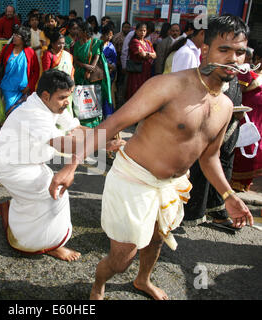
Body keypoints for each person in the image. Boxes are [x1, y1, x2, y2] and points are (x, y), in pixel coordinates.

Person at [49, 14, 253, 300]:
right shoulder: (167, 86)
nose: (233, 58)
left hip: (171, 186)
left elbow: (210, 158)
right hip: (134, 180)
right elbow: (112, 125)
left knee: (157, 240)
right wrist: (71, 166)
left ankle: (142, 281)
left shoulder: (227, 105)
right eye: (224, 50)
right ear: (205, 50)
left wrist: (229, 195)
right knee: (121, 260)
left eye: (240, 51)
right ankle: (98, 286)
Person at [0, 69, 82, 261]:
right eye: (63, 97)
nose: (67, 102)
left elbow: (75, 128)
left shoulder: (52, 104)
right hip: (12, 167)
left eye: (69, 96)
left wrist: (106, 134)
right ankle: (47, 245)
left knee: (36, 199)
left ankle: (8, 211)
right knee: (55, 197)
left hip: (28, 163)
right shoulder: (32, 113)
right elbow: (64, 143)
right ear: (46, 96)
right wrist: (103, 142)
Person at [231, 45, 262, 192]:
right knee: (244, 152)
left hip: (259, 121)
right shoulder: (247, 75)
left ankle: (242, 185)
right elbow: (236, 95)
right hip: (245, 119)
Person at [0, 26, 40, 115]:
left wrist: (29, 86)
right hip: (8, 88)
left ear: (24, 38)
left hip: (24, 89)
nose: (14, 37)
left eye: (17, 35)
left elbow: (36, 71)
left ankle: (23, 129)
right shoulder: (6, 48)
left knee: (24, 114)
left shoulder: (30, 52)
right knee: (11, 113)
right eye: (14, 34)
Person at [73, 22, 112, 127]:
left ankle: (95, 123)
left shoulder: (95, 43)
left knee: (93, 99)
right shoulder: (76, 44)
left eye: (79, 30)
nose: (77, 32)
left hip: (92, 77)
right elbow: (75, 60)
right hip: (79, 75)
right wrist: (85, 66)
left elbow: (96, 57)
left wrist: (89, 71)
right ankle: (82, 123)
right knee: (81, 100)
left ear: (85, 32)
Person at [42, 31, 75, 115]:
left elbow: (72, 71)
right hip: (55, 90)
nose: (61, 46)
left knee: (67, 111)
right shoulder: (48, 55)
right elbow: (46, 73)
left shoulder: (68, 55)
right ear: (52, 44)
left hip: (68, 88)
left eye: (63, 43)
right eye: (59, 43)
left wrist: (72, 85)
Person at [126, 22, 156, 100]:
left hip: (146, 71)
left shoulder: (147, 42)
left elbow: (155, 55)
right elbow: (141, 55)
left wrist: (147, 54)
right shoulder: (134, 42)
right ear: (136, 31)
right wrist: (149, 55)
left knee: (144, 92)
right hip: (137, 72)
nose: (142, 33)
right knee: (135, 93)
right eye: (140, 30)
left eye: (144, 31)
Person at [101, 23, 117, 118]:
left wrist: (111, 68)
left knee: (108, 95)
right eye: (108, 34)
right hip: (100, 74)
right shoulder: (97, 44)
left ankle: (108, 115)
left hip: (109, 74)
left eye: (111, 35)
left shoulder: (111, 46)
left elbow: (115, 61)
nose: (110, 37)